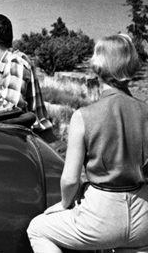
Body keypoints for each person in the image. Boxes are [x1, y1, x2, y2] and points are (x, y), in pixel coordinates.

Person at [26, 34, 148, 252]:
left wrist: (64, 204)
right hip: (143, 215)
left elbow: (71, 179)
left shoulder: (84, 116)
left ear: (97, 67)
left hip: (101, 216)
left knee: (37, 229)